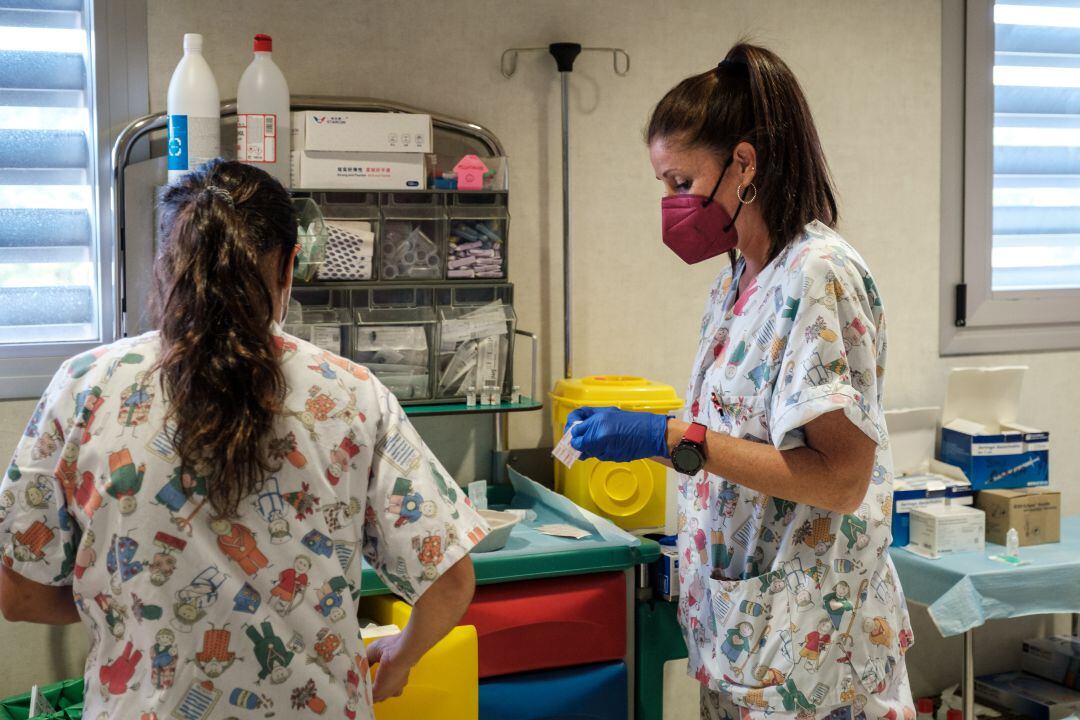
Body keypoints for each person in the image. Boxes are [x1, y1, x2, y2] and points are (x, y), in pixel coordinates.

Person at [0, 160, 489, 719]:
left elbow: (21, 595)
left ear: (166, 265)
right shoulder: (353, 395)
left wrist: (121, 603)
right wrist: (400, 657)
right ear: (289, 266)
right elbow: (450, 582)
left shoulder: (84, 387)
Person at [566, 43, 915, 720]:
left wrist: (675, 439)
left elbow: (840, 479)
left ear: (744, 165)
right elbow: (741, 445)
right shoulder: (736, 283)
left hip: (811, 655)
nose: (671, 206)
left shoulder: (819, 276)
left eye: (680, 183)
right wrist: (665, 443)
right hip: (745, 635)